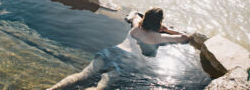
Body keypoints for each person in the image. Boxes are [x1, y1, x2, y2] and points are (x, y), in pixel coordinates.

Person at [47, 8, 191, 90]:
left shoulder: (136, 28)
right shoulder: (158, 37)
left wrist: (138, 16)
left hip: (112, 51)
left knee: (82, 75)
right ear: (159, 22)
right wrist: (167, 30)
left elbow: (133, 15)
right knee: (100, 87)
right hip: (126, 61)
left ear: (145, 18)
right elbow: (185, 37)